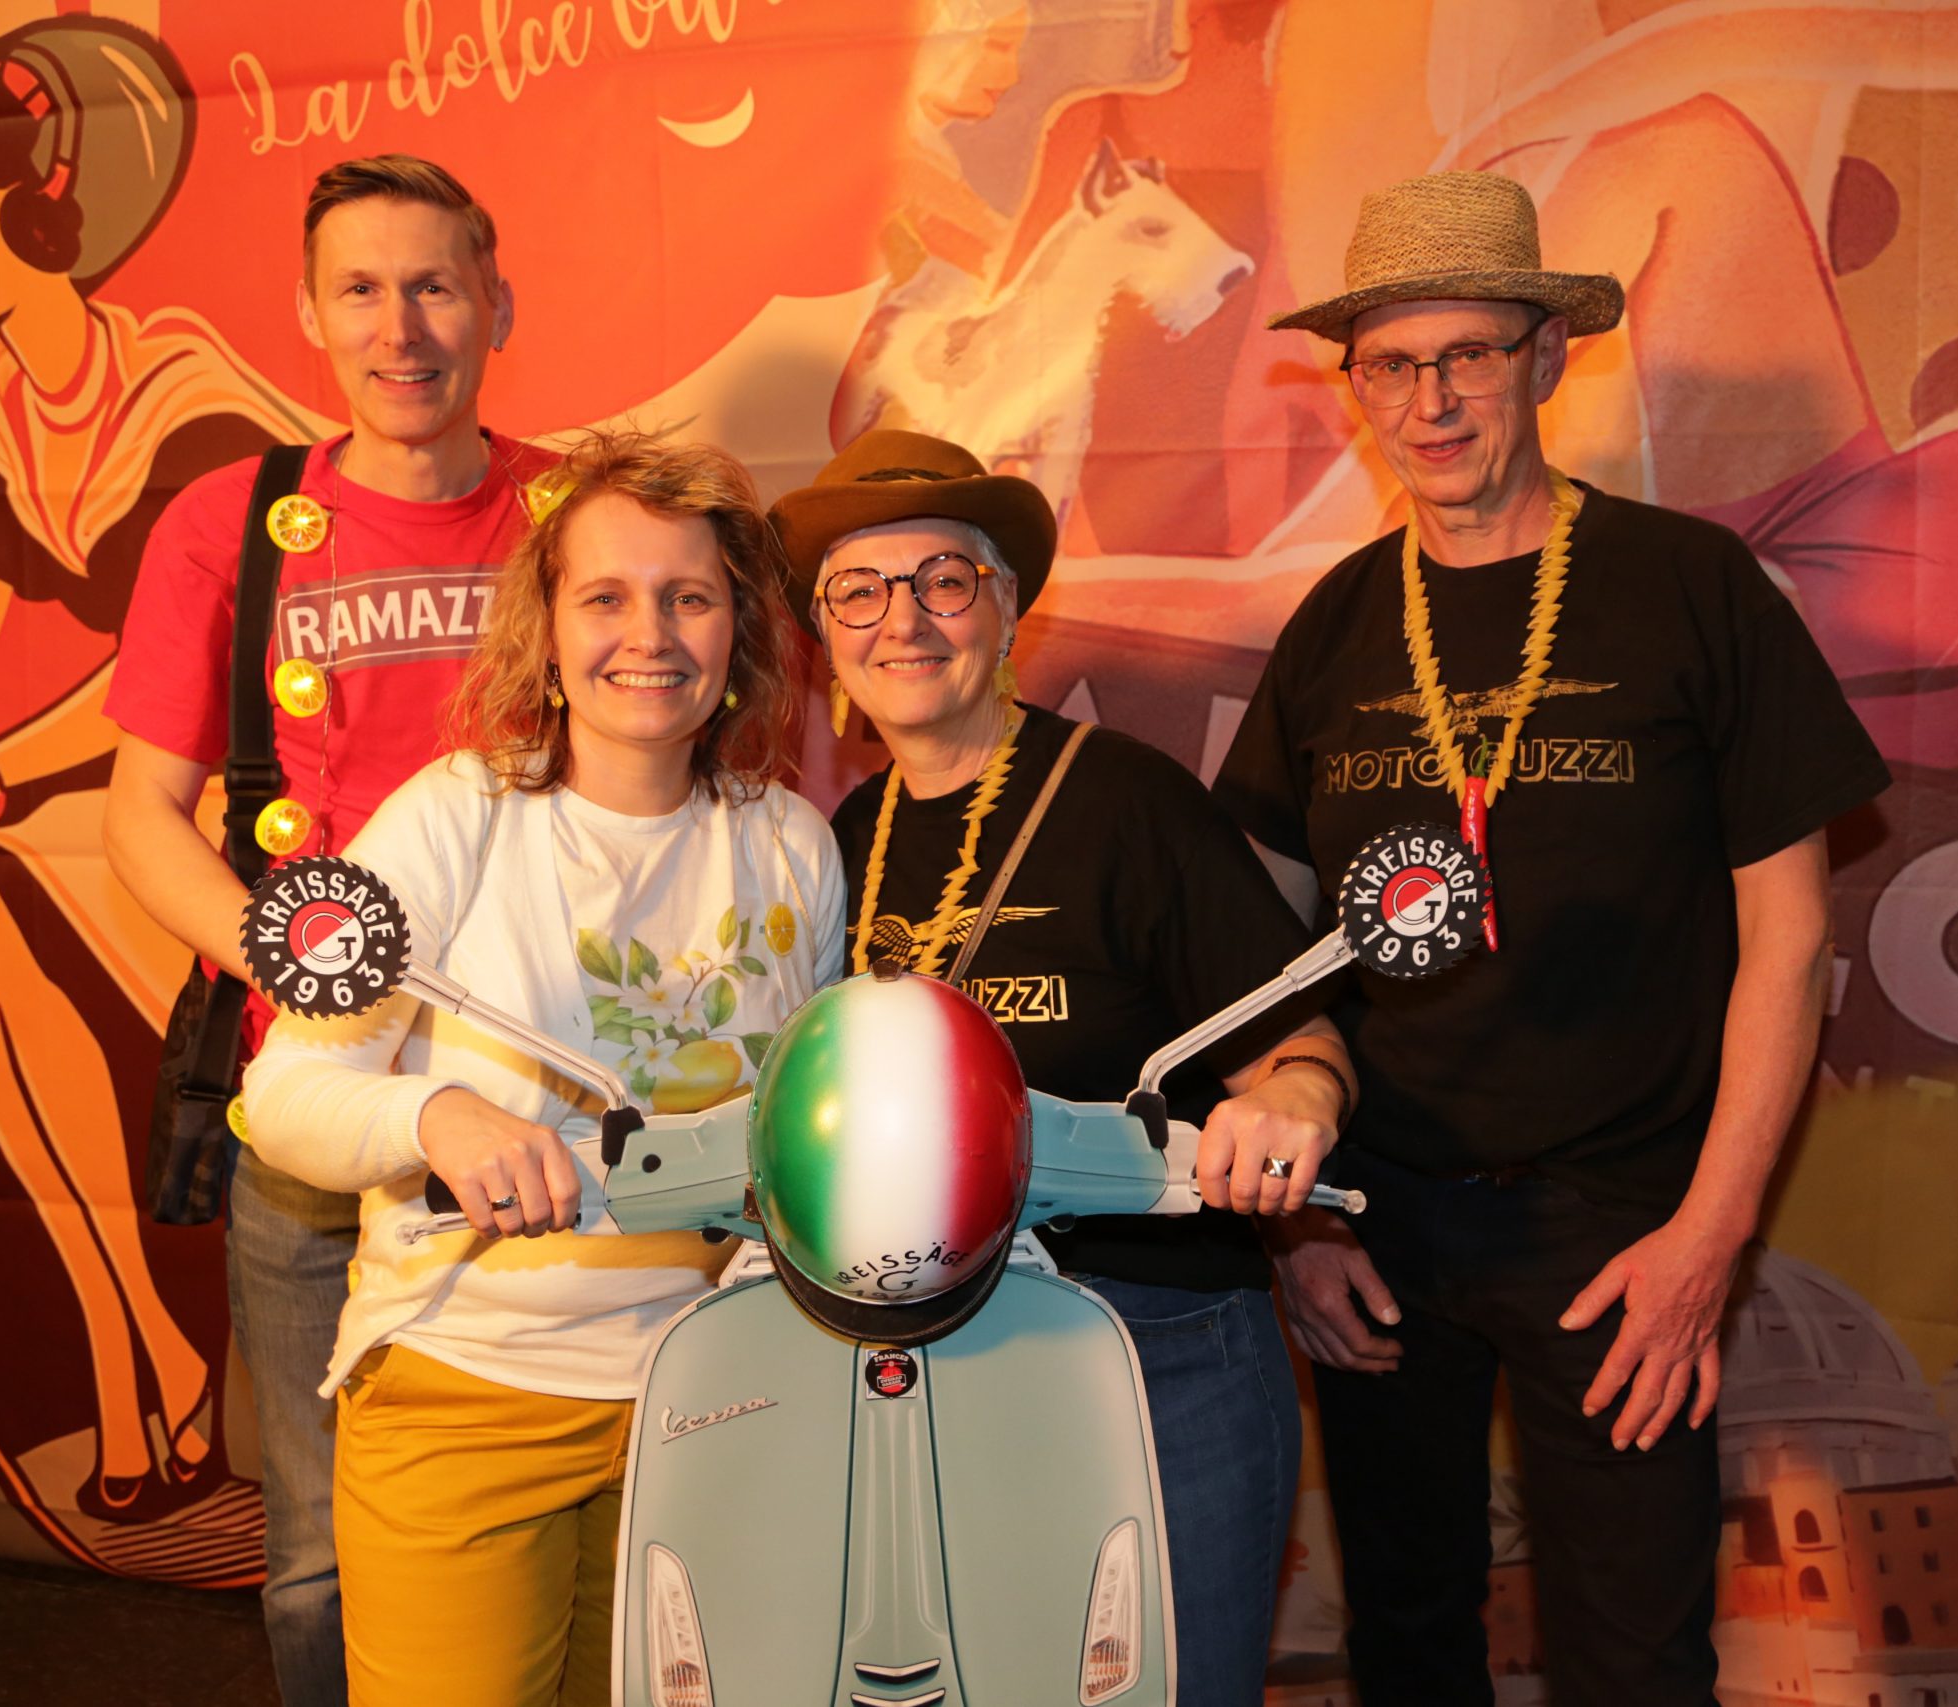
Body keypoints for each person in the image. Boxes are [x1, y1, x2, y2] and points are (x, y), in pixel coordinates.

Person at [1211, 172, 1891, 1704]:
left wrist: (1709, 1238)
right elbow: (1259, 950)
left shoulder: (1690, 587)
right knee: (1405, 1642)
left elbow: (1790, 941)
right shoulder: (1335, 622)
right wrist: (1299, 1229)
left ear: (1545, 355)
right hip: (1376, 1219)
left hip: (1622, 1228)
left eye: (1468, 353)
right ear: (1357, 384)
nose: (1432, 400)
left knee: (1633, 1659)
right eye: (1393, 363)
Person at [0, 15, 314, 1559]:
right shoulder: (4, 402)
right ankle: (132, 1364)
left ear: (48, 214)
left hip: (233, 832)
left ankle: (170, 1375)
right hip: (85, 819)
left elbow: (172, 674)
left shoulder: (192, 405)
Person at [240, 432, 844, 1706]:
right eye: (606, 597)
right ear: (548, 628)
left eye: (690, 597)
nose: (651, 635)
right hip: (467, 1395)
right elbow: (285, 1096)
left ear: (739, 628)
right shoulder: (458, 815)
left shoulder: (791, 843)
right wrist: (437, 1113)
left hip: (709, 1401)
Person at [769, 428, 1357, 1706]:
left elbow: (1298, 1042)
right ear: (823, 635)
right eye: (859, 591)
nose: (902, 621)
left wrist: (1296, 1099)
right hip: (924, 1362)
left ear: (1004, 608)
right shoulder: (838, 842)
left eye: (943, 580)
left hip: (1155, 1352)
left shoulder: (1127, 801)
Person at [102, 154, 551, 1703]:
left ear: (497, 304)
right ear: (308, 313)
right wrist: (303, 963)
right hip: (313, 1106)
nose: (399, 327)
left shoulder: (583, 517)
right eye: (360, 289)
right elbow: (139, 815)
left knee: (573, 1496)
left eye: (434, 285)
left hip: (547, 1102)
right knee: (319, 1549)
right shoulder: (230, 523)